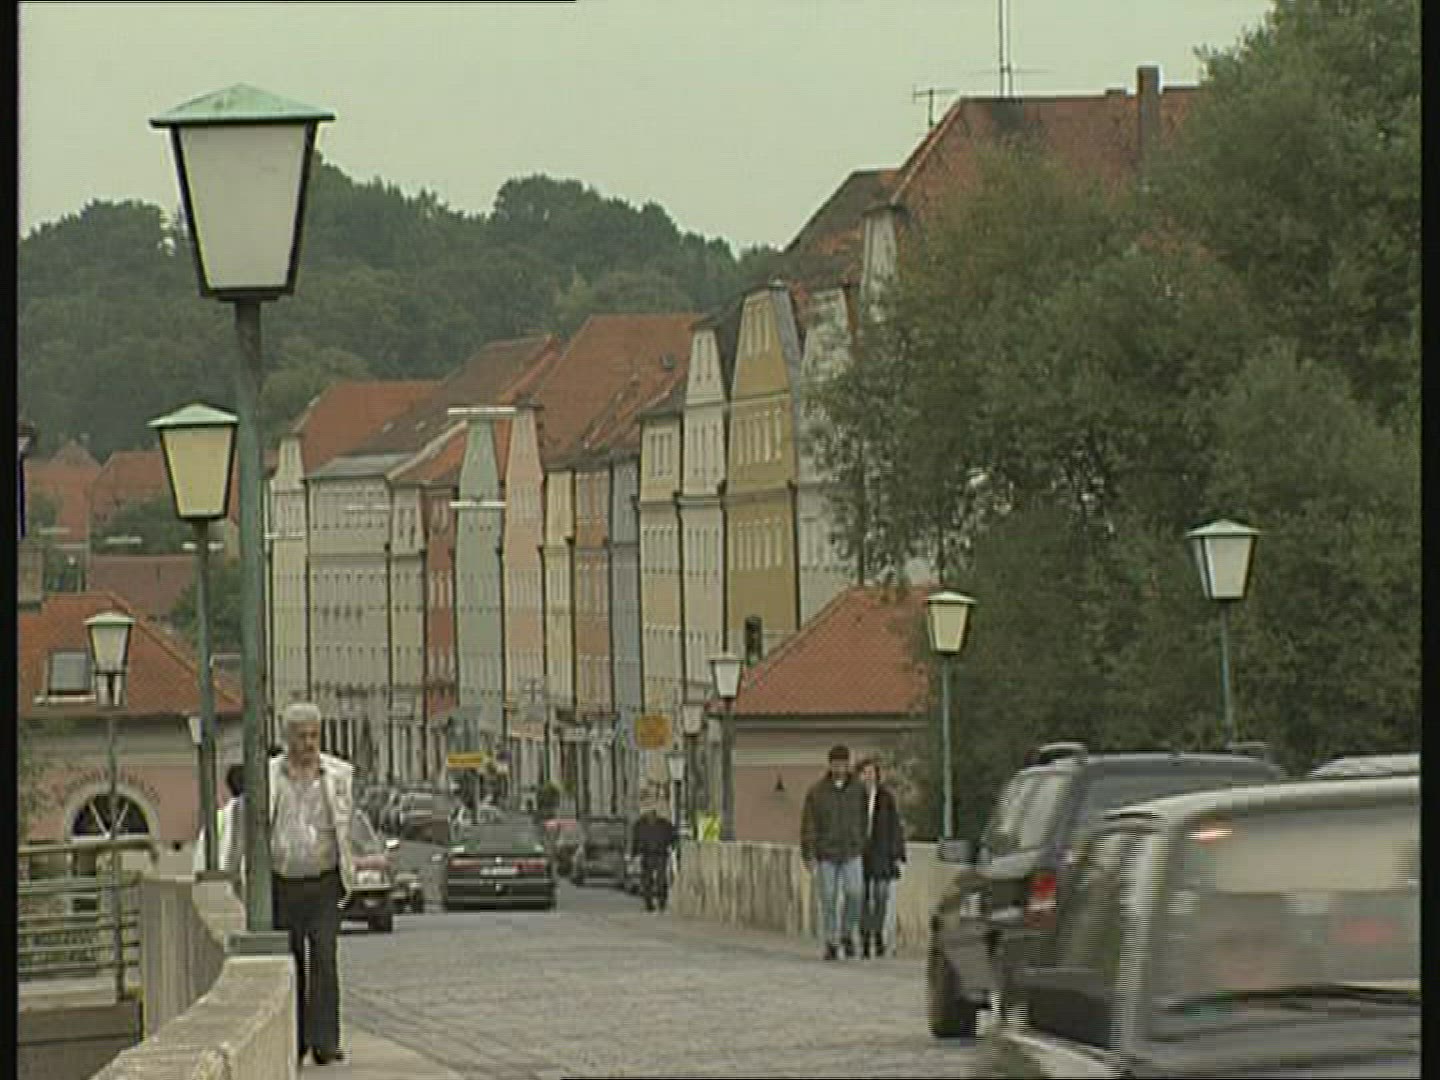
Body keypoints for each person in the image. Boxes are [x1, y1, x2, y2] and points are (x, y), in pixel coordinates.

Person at [269, 702, 357, 1067]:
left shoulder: (338, 775)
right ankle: (295, 1041)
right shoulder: (269, 776)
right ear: (287, 738)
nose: (308, 743)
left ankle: (326, 1042)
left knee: (324, 958)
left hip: (324, 881)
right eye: (301, 736)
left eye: (314, 736)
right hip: (283, 882)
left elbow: (346, 826)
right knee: (291, 963)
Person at [800, 745, 868, 960]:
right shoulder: (817, 792)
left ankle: (847, 933)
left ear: (848, 765)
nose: (840, 768)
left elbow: (863, 818)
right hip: (826, 852)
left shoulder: (858, 790)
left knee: (855, 893)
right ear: (830, 765)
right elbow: (809, 824)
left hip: (851, 850)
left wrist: (861, 841)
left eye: (843, 764)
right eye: (836, 764)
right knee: (828, 898)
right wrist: (809, 853)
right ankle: (831, 940)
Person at [856, 757, 906, 958]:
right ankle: (865, 936)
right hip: (860, 853)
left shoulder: (886, 798)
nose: (869, 777)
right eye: (865, 773)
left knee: (881, 896)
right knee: (862, 897)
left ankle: (877, 933)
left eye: (872, 773)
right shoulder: (854, 797)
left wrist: (898, 853)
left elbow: (895, 825)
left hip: (882, 853)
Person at [192, 763, 248, 883]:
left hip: (219, 880)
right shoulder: (241, 811)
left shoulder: (219, 816)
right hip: (234, 878)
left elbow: (200, 858)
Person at [631, 803, 678, 912]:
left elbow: (673, 837)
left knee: (661, 880)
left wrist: (671, 847)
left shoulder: (665, 824)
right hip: (646, 854)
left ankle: (661, 903)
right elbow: (635, 839)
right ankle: (649, 904)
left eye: (652, 812)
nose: (650, 814)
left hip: (661, 854)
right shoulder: (640, 824)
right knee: (647, 881)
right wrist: (634, 854)